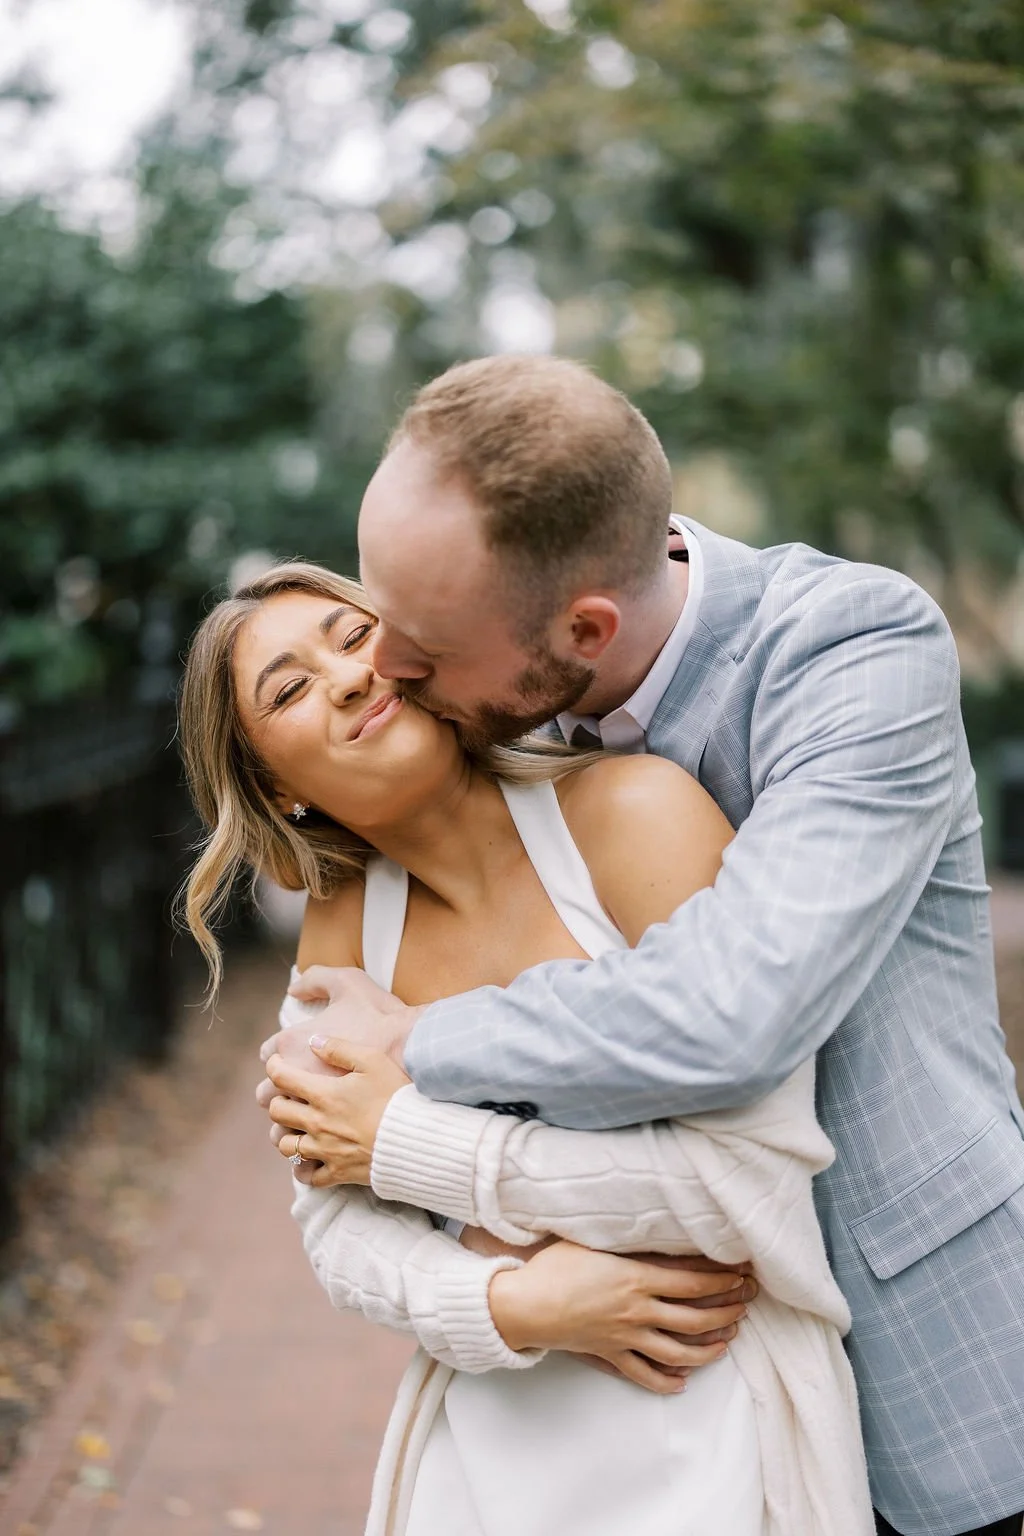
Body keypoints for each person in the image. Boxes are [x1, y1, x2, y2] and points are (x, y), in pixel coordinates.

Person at [254, 355, 1024, 1536]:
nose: (388, 673)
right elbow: (337, 1208)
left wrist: (412, 1073)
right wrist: (505, 1302)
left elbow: (731, 1016)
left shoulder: (850, 651)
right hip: (673, 1438)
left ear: (583, 631)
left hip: (920, 1351)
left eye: (416, 642)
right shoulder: (500, 713)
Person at [178, 560, 875, 1536]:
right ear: (275, 786)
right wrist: (515, 1305)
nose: (344, 678)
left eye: (353, 637)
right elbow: (336, 1230)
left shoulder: (635, 815)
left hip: (719, 1432)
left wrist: (400, 1140)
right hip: (482, 1466)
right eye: (289, 689)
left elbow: (745, 1185)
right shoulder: (348, 929)